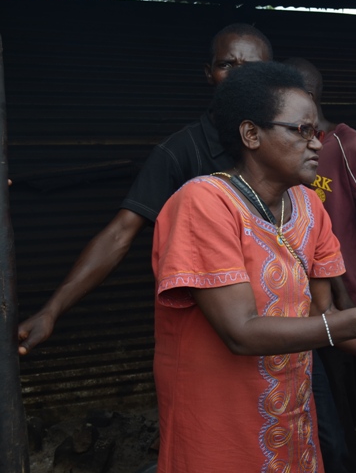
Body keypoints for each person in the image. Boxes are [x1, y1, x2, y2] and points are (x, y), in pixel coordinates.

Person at [151, 61, 356, 473]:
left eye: (317, 132)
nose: (317, 145)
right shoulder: (203, 204)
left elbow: (318, 323)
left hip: (289, 418)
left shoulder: (307, 205)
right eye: (300, 131)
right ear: (251, 134)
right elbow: (241, 331)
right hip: (219, 420)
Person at [17, 23, 273, 354]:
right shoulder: (179, 152)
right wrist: (52, 309)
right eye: (227, 65)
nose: (238, 76)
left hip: (286, 332)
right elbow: (120, 233)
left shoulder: (285, 144)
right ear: (209, 73)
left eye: (251, 68)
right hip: (209, 340)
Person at [285, 57, 356, 473]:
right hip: (298, 304)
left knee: (341, 396)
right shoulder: (278, 158)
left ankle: (349, 466)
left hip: (349, 297)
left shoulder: (348, 145)